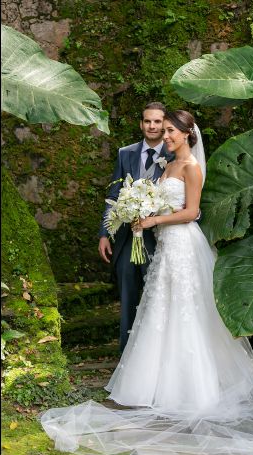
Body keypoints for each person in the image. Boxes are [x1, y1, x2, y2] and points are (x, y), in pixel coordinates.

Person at [41, 110, 253, 455]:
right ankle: (151, 387)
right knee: (159, 311)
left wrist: (153, 218)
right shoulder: (167, 166)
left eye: (170, 131)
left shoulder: (190, 169)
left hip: (183, 245)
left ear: (186, 134)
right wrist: (141, 215)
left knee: (187, 312)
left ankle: (192, 389)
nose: (164, 135)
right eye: (163, 130)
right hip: (165, 247)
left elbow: (192, 212)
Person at [98, 101, 173, 353]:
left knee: (157, 298)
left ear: (165, 124)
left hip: (159, 238)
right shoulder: (125, 153)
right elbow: (114, 195)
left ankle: (156, 355)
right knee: (128, 298)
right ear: (141, 123)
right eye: (147, 121)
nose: (152, 126)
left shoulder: (175, 154)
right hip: (126, 239)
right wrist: (105, 233)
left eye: (157, 121)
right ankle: (126, 358)